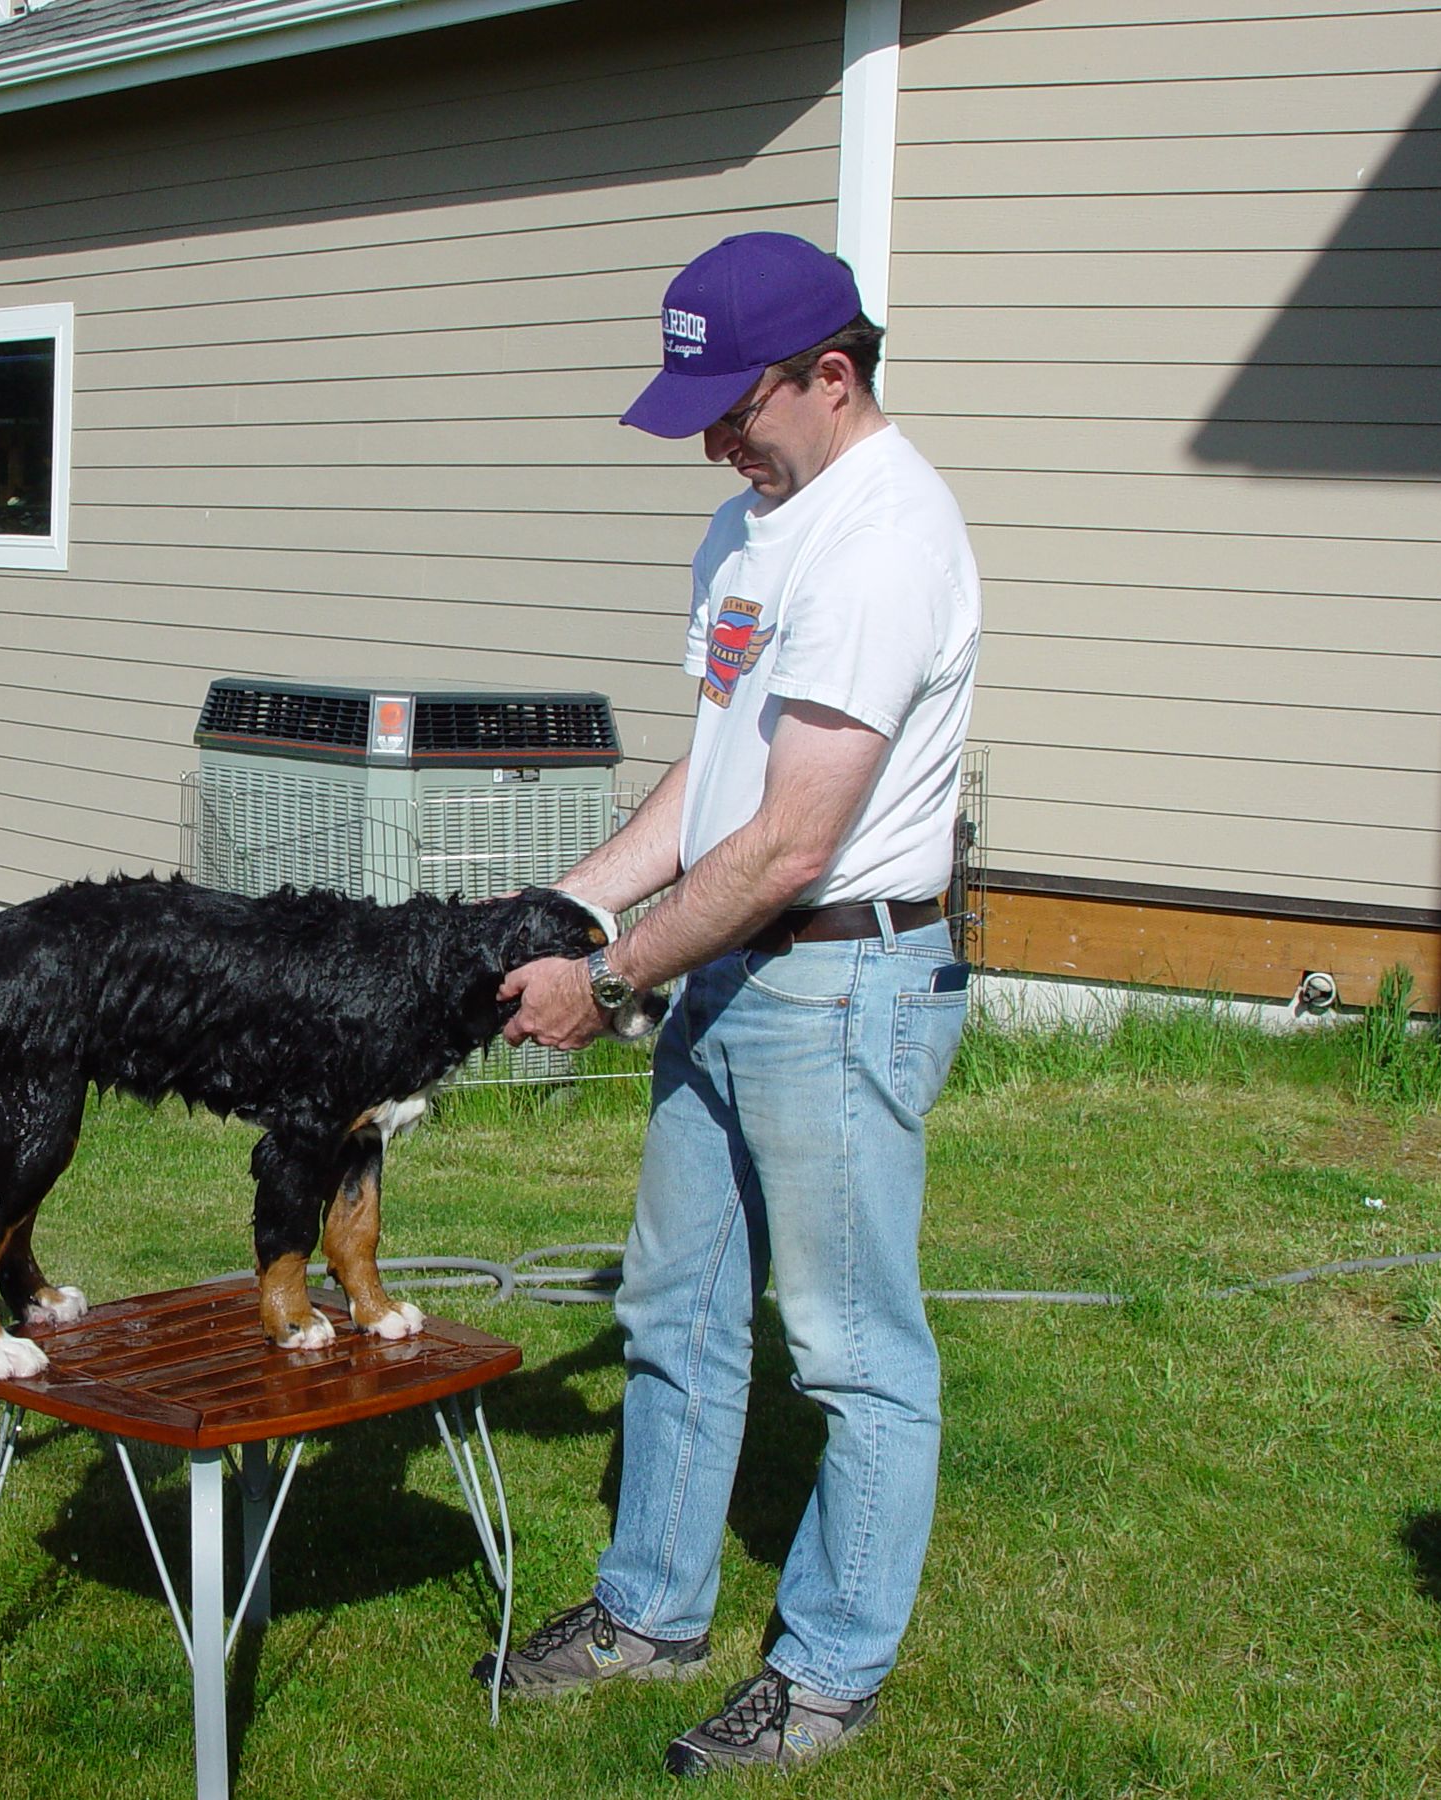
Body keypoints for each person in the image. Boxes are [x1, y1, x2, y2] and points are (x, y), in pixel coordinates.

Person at [484, 233, 981, 1775]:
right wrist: (567, 908)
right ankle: (652, 1611)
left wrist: (613, 976)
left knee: (847, 1346)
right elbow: (713, 788)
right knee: (674, 1306)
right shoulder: (748, 529)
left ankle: (830, 1669)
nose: (712, 439)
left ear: (832, 376)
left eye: (732, 405)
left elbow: (793, 837)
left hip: (839, 976)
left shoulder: (887, 538)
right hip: (731, 963)